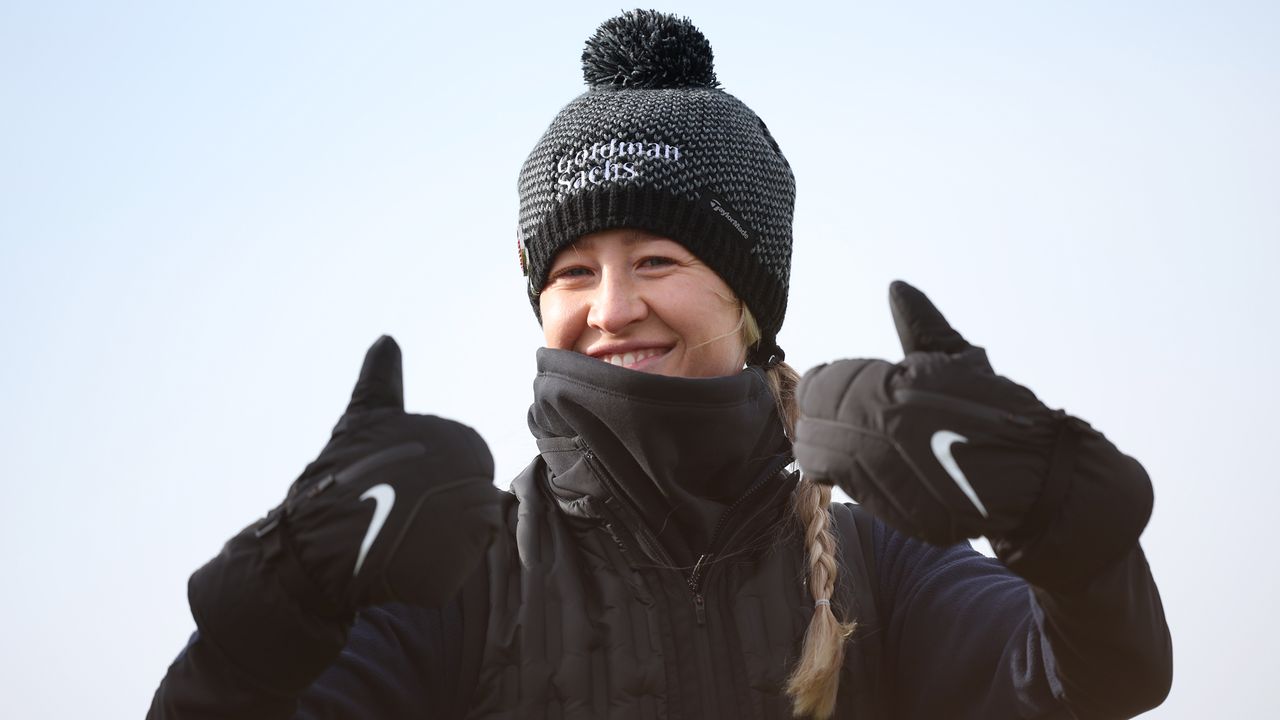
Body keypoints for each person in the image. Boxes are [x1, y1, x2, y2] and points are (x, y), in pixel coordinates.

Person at [148, 10, 1172, 720]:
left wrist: (1058, 520)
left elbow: (1091, 684)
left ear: (749, 299)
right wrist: (275, 608)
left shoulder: (878, 569)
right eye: (570, 270)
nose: (610, 308)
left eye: (656, 260)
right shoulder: (461, 578)